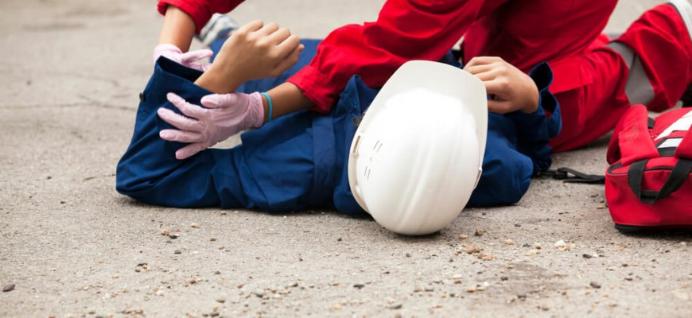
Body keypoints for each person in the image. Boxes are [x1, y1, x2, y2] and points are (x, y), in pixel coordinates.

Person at [115, 18, 560, 214]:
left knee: (263, 49)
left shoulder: (294, 171)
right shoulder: (491, 164)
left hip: (283, 72)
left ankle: (216, 41)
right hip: (341, 63)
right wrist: (530, 100)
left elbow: (145, 176)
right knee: (319, 52)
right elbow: (536, 154)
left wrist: (216, 78)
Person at [152, 0, 691, 154]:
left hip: (538, 84)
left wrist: (263, 108)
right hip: (494, 57)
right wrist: (171, 42)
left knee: (637, 62)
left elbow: (392, 43)